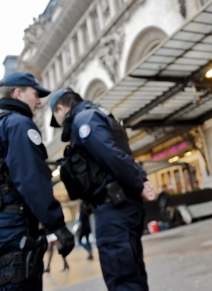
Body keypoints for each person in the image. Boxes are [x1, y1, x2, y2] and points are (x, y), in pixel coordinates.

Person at [0, 72, 74, 290]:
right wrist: (58, 226)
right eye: (35, 94)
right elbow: (31, 181)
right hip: (14, 230)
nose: (38, 100)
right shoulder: (17, 124)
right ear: (18, 93)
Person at [49, 88, 155, 291]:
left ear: (60, 109)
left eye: (57, 118)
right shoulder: (95, 114)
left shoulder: (84, 119)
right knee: (132, 275)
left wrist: (140, 184)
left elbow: (112, 156)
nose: (60, 125)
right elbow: (121, 154)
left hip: (114, 209)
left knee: (122, 279)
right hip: (121, 205)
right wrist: (140, 181)